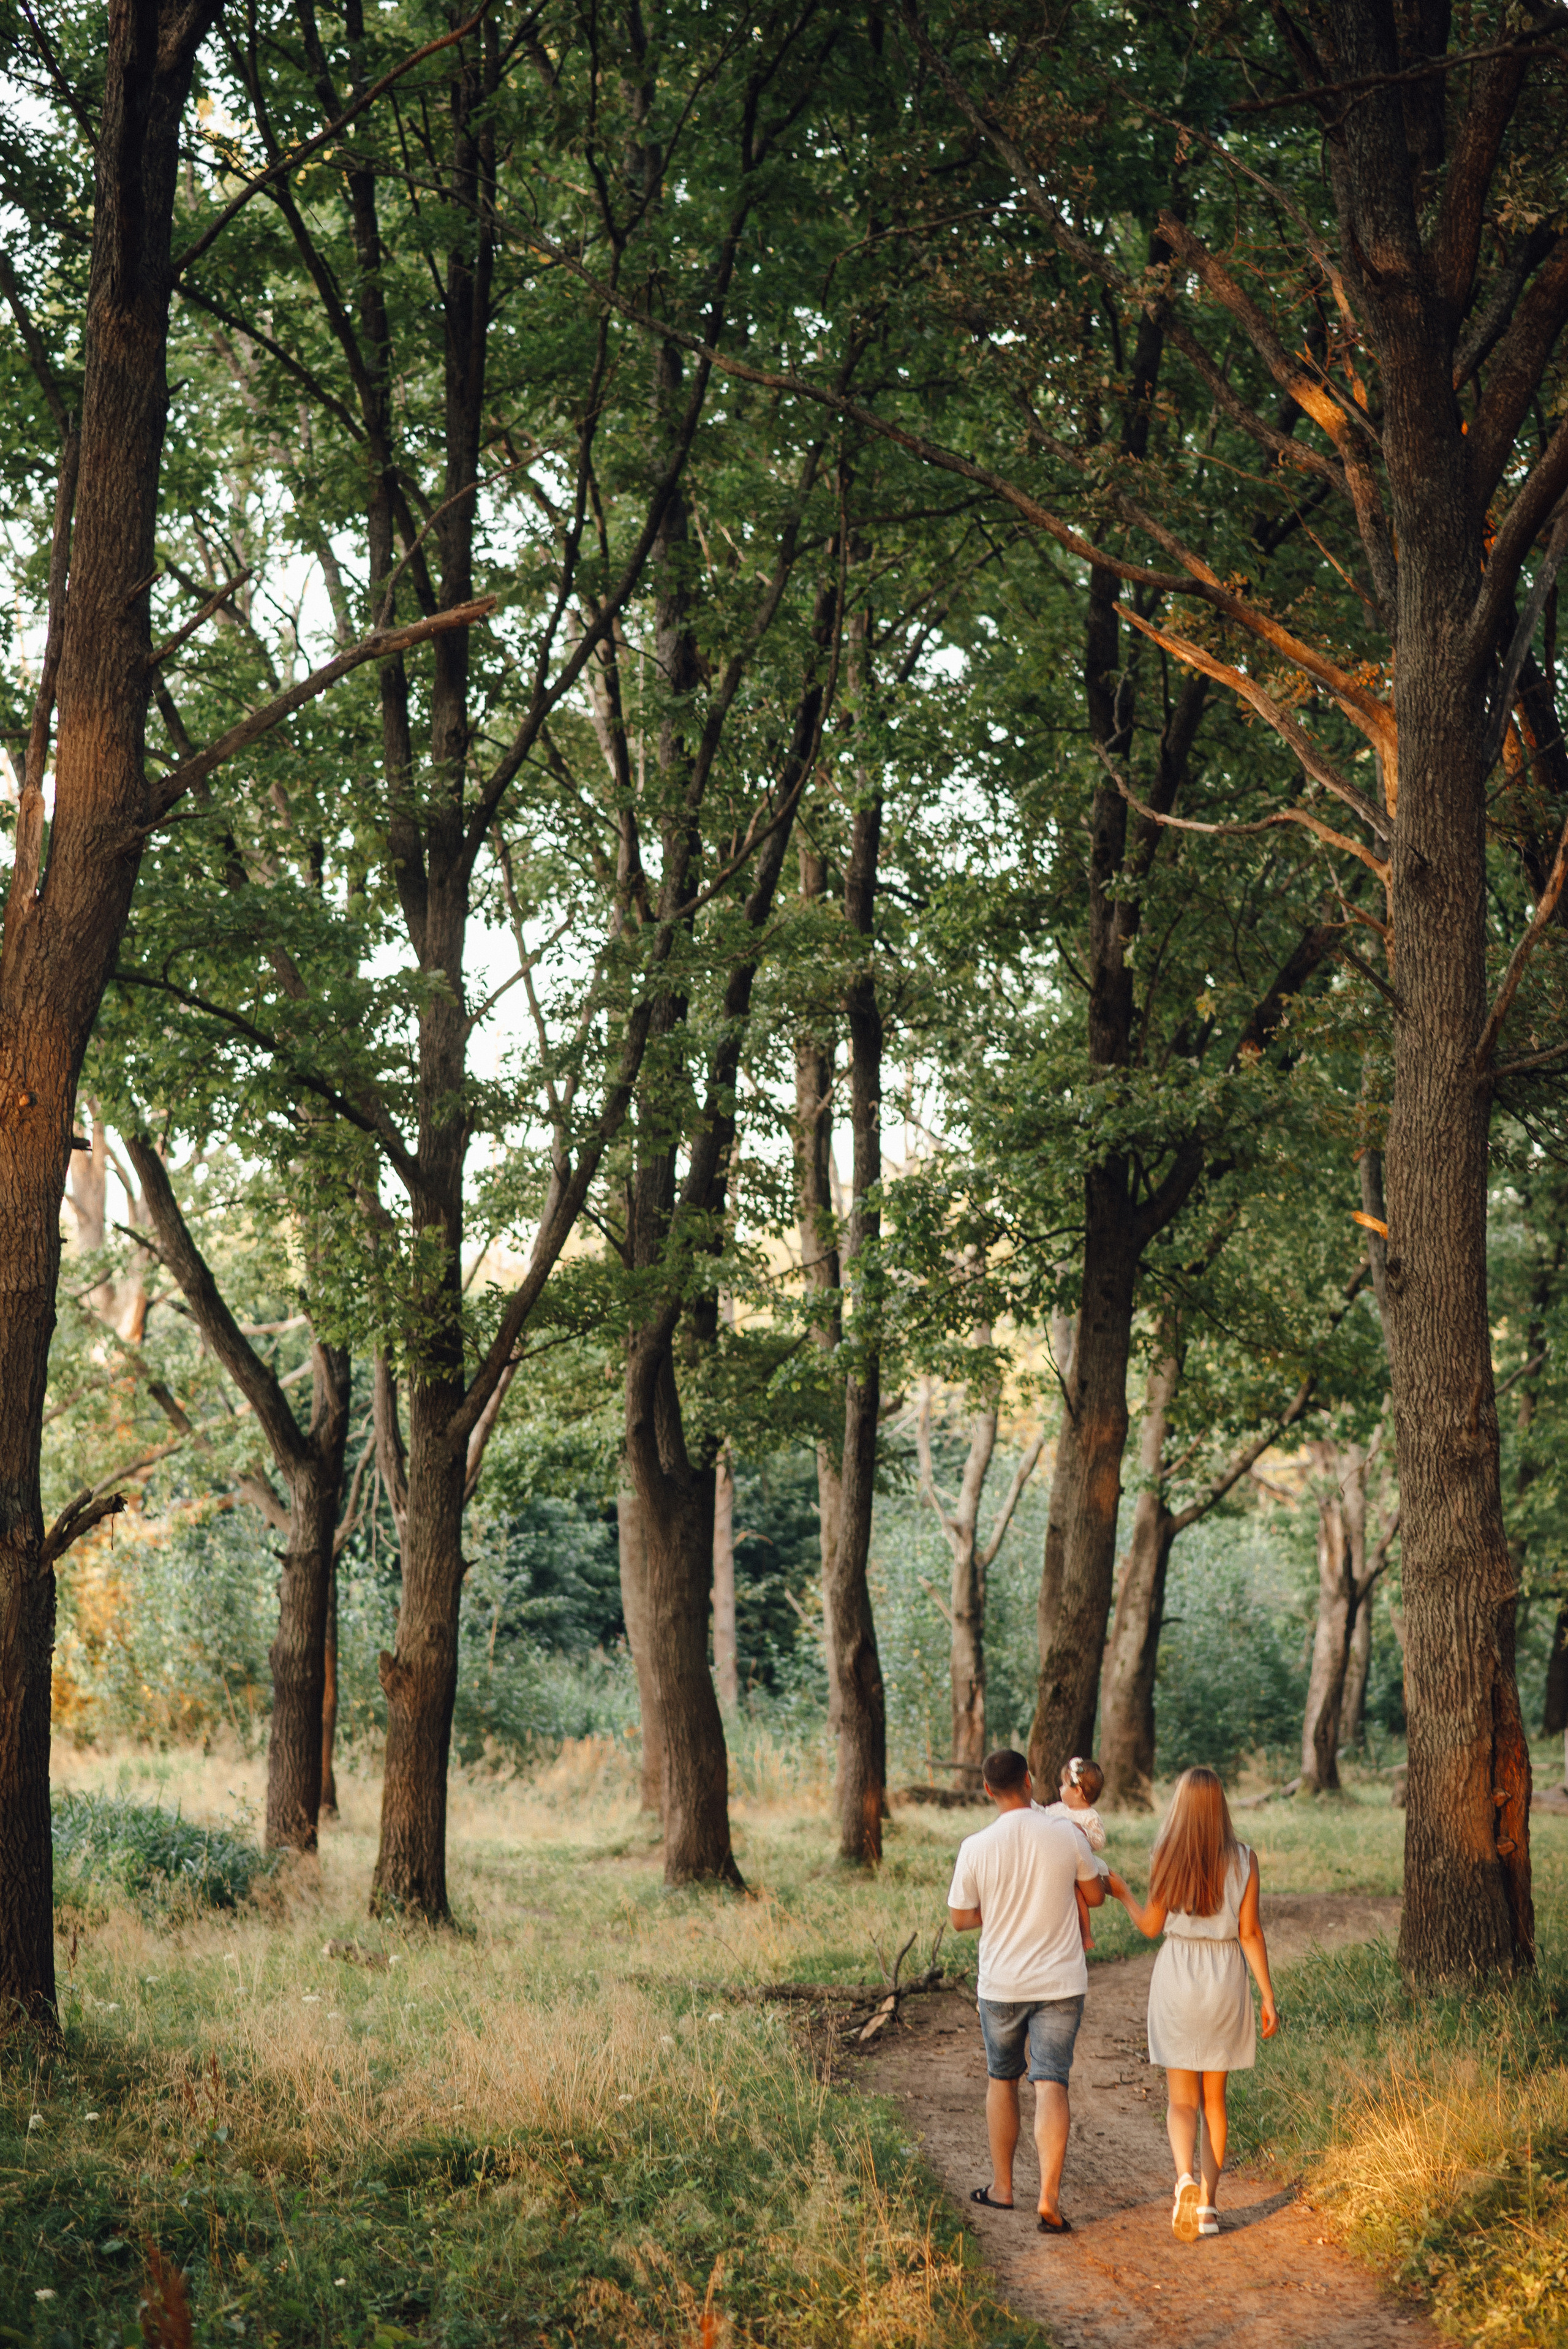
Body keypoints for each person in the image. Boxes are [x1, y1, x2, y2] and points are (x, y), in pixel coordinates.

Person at [1104, 1766, 1279, 2243]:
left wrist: (1122, 1893)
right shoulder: (1245, 1859)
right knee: (1215, 2102)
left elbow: (1150, 1927)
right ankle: (1209, 2206)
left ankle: (1183, 2179)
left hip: (1178, 1976)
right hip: (1225, 1979)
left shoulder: (1167, 1855)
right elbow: (1250, 1932)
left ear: (1181, 1806)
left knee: (1181, 2100)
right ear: (1221, 1807)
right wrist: (1266, 1995)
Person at [947, 1747, 1108, 2234]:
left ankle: (1002, 2188)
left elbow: (960, 1919)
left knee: (1003, 2078)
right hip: (1060, 1980)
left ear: (988, 1791)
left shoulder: (975, 1845)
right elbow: (1096, 1895)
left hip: (1002, 1983)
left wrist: (995, 1914)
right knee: (1051, 2081)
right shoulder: (1064, 1833)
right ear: (1031, 1781)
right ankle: (1049, 2197)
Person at [1034, 1755, 1107, 1950]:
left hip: (1078, 1864)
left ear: (1078, 1791)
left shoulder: (1090, 1816)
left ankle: (1086, 1936)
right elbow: (1041, 1813)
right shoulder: (1058, 1809)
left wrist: (1084, 1831)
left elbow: (1099, 1841)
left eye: (1064, 1785)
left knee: (1076, 1894)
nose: (1060, 1789)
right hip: (1058, 1861)